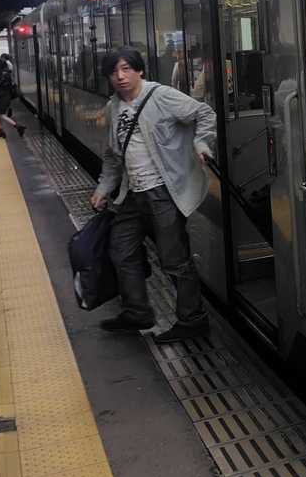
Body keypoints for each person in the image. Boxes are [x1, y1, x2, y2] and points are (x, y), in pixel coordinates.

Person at [89, 46, 216, 342]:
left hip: (162, 192)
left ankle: (193, 320)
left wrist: (201, 142)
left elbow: (204, 113)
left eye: (126, 69)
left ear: (140, 70)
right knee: (121, 250)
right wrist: (103, 188)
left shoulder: (161, 96)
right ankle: (138, 312)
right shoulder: (113, 107)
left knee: (174, 260)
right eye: (113, 72)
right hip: (131, 193)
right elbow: (112, 156)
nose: (120, 76)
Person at [0, 54, 25, 140]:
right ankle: (1, 132)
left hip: (4, 97)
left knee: (1, 115)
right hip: (5, 97)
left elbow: (0, 86)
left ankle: (18, 126)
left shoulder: (3, 76)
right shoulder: (6, 74)